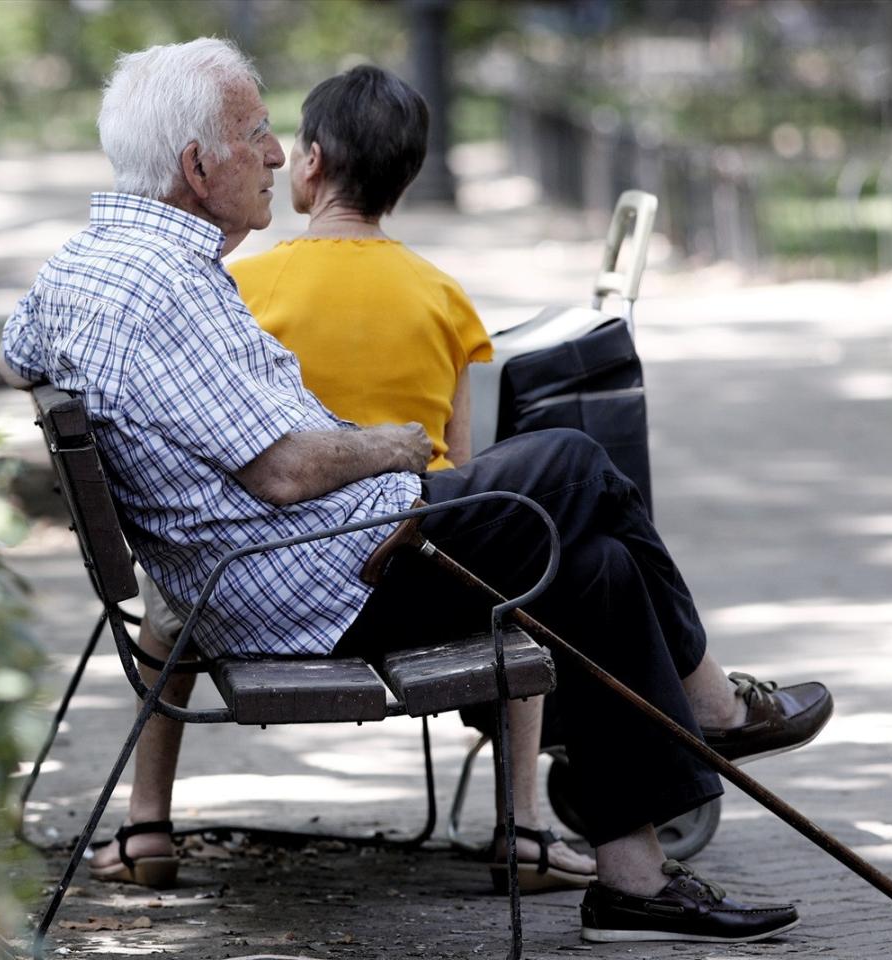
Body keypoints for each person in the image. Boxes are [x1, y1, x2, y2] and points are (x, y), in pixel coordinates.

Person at [0, 38, 833, 945]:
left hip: (298, 565)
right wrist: (390, 446)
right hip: (319, 584)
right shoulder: (163, 289)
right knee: (576, 461)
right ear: (198, 166)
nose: (278, 154)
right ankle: (713, 707)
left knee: (594, 568)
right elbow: (279, 472)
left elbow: (16, 354)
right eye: (257, 133)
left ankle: (632, 884)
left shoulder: (86, 267)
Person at [110, 63, 595, 896]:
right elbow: (462, 462)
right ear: (406, 177)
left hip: (257, 586)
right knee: (531, 568)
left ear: (312, 162)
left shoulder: (243, 286)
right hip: (416, 569)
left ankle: (145, 821)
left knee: (166, 612)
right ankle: (524, 827)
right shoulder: (443, 296)